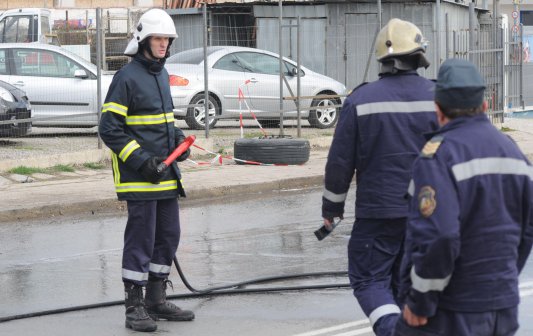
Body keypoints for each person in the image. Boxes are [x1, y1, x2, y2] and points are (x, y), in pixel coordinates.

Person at [394, 58, 533, 335]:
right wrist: (501, 281)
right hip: (502, 307)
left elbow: (439, 236)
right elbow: (527, 231)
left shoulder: (437, 156)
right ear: (484, 105)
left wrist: (420, 301)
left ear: (438, 110)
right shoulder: (513, 152)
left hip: (452, 310)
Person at [321, 18, 439, 336]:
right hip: (430, 213)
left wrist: (331, 210)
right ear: (419, 55)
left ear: (382, 59)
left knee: (371, 279)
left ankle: (392, 331)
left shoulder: (360, 100)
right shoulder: (439, 97)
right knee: (413, 282)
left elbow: (339, 163)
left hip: (379, 214)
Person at [98, 8, 194, 332]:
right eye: (158, 37)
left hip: (165, 174)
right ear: (142, 40)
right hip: (138, 176)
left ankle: (155, 299)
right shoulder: (126, 78)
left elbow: (165, 122)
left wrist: (179, 141)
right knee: (141, 239)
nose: (164, 43)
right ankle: (134, 306)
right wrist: (142, 161)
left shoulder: (162, 75)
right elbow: (109, 129)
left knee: (168, 236)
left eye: (168, 38)